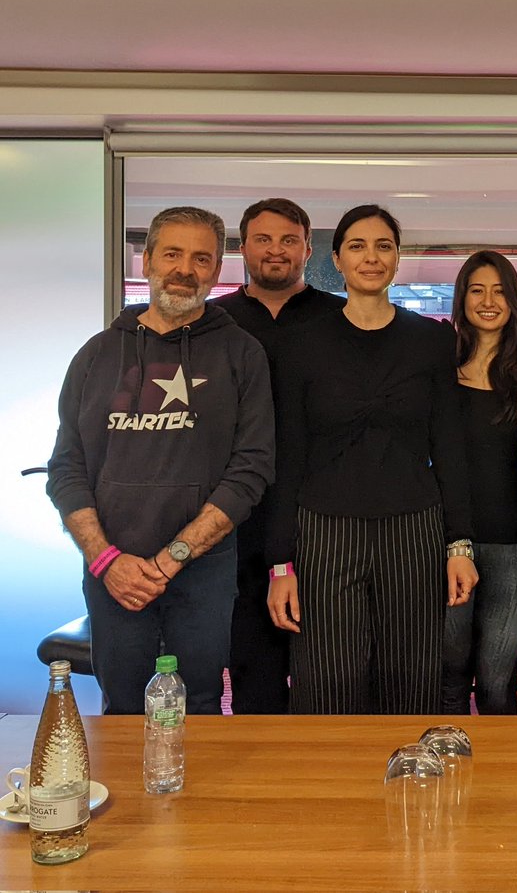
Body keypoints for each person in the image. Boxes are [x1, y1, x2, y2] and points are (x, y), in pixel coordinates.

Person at [47, 205, 274, 714]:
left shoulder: (242, 354)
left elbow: (252, 468)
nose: (184, 269)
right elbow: (67, 468)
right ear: (147, 260)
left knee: (199, 703)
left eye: (200, 258)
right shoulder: (97, 355)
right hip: (113, 571)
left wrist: (174, 557)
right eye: (172, 253)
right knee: (123, 706)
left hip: (204, 571)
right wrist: (107, 561)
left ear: (216, 271)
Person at [265, 204, 477, 714]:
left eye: (383, 246)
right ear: (336, 259)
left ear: (398, 259)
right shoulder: (301, 343)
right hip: (324, 531)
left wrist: (460, 544)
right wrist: (279, 565)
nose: (371, 257)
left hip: (413, 529)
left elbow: (449, 447)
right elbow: (288, 455)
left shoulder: (430, 340)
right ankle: (332, 792)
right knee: (326, 680)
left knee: (410, 680)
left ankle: (408, 790)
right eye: (357, 246)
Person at [213, 198, 344, 715]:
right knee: (252, 670)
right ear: (242, 248)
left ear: (308, 250)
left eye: (289, 240)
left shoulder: (339, 318)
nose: (276, 251)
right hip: (237, 521)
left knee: (327, 670)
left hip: (322, 519)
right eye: (263, 240)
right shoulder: (213, 323)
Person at [442, 250, 517, 714]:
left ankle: (501, 783)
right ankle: (444, 772)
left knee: (496, 681)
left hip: (514, 546)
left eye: (500, 291)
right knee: (448, 674)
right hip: (447, 544)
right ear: (462, 298)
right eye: (477, 290)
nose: (488, 301)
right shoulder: (437, 370)